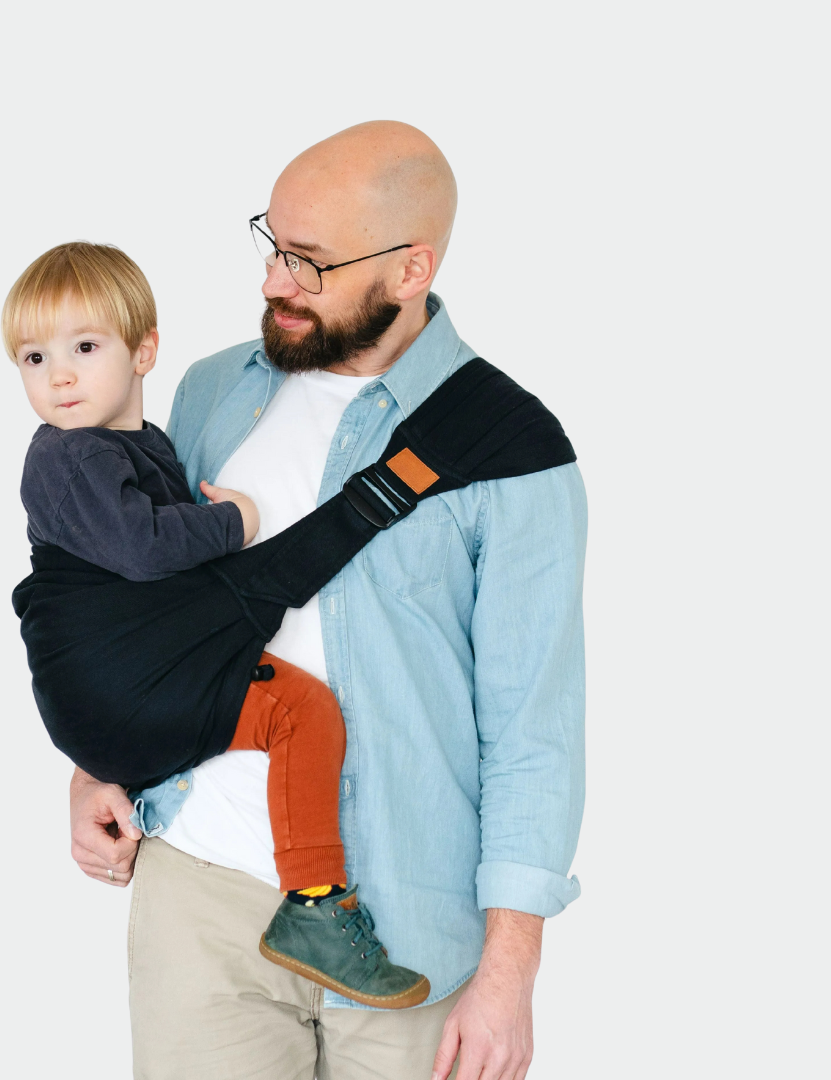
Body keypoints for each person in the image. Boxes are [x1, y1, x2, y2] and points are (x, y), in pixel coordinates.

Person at [69, 121, 587, 1080]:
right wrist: (99, 762)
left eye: (309, 262)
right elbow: (150, 610)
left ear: (410, 269)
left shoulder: (513, 451)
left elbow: (534, 730)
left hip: (409, 921)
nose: (275, 282)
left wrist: (511, 972)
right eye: (273, 246)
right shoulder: (212, 391)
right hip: (203, 899)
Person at [5, 241, 433, 1007]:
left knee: (295, 710)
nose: (59, 375)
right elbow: (145, 550)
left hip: (130, 688)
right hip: (114, 686)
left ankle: (311, 901)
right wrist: (236, 521)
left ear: (144, 352)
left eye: (84, 348)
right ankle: (315, 904)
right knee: (304, 713)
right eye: (34, 358)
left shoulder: (143, 445)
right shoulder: (69, 457)